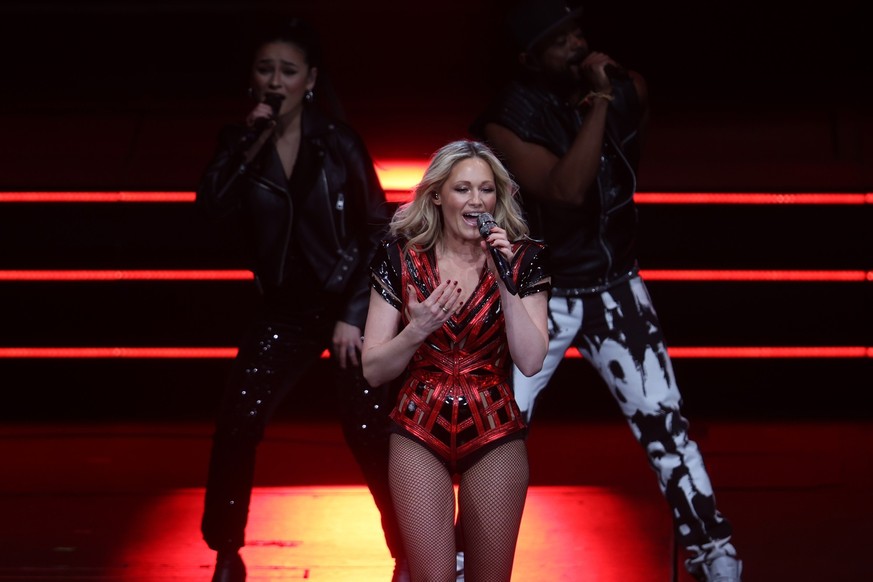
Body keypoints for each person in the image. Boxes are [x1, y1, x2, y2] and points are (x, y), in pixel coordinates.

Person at [470, 1, 744, 581]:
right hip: (536, 293)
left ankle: (715, 554)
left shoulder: (621, 92)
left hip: (615, 283)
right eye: (558, 41)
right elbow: (566, 190)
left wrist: (609, 97)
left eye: (576, 33)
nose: (576, 45)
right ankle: (467, 559)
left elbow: (630, 132)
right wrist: (599, 102)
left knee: (665, 427)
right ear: (529, 59)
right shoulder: (506, 120)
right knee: (496, 433)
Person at [195, 18, 406, 582]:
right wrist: (247, 141)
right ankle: (226, 553)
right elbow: (209, 208)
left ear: (309, 79)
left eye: (287, 71)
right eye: (265, 69)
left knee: (369, 432)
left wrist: (353, 315)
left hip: (346, 306)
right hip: (282, 311)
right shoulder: (241, 145)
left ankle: (410, 551)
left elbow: (375, 231)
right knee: (238, 419)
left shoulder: (337, 143)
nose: (275, 80)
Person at [361, 140, 551, 582]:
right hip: (417, 430)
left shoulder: (525, 259)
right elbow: (373, 370)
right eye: (463, 189)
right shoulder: (400, 258)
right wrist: (417, 328)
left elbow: (530, 360)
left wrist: (505, 278)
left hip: (494, 431)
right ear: (437, 196)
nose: (476, 200)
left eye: (486, 190)